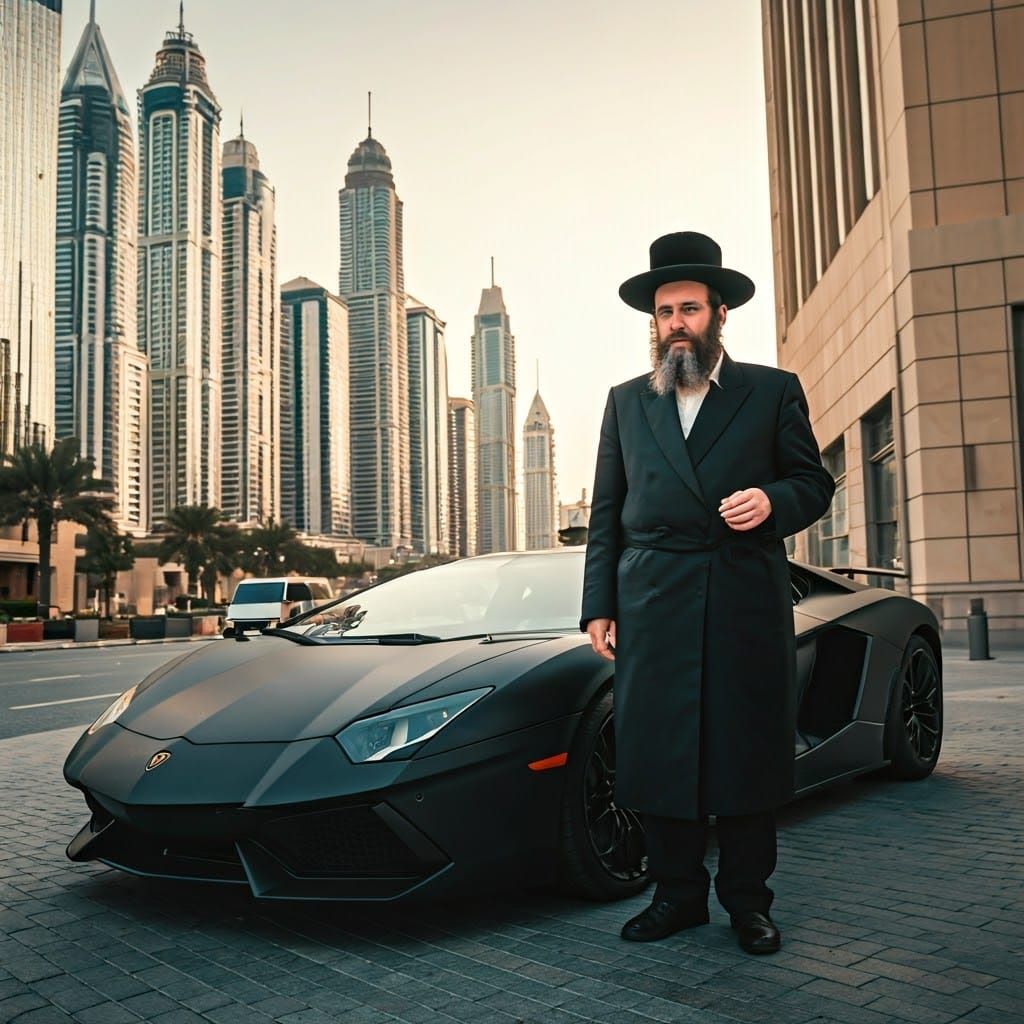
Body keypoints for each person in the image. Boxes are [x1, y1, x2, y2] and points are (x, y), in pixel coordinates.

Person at [580, 231, 835, 955]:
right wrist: (600, 604)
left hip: (741, 594)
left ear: (719, 314)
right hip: (653, 600)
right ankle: (678, 896)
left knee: (745, 756)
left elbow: (813, 481)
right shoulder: (626, 402)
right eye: (665, 313)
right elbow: (607, 511)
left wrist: (773, 501)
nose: (676, 324)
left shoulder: (771, 389)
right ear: (654, 324)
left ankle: (748, 903)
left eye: (690, 308)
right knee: (659, 756)